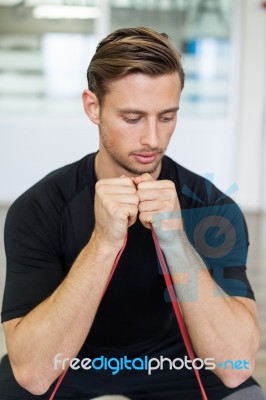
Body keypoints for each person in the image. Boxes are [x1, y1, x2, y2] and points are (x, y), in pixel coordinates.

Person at [0, 27, 264, 400]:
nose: (153, 139)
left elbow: (235, 367)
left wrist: (176, 242)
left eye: (167, 117)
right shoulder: (40, 208)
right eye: (133, 117)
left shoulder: (211, 208)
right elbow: (33, 373)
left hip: (173, 363)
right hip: (71, 359)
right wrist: (103, 242)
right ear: (93, 107)